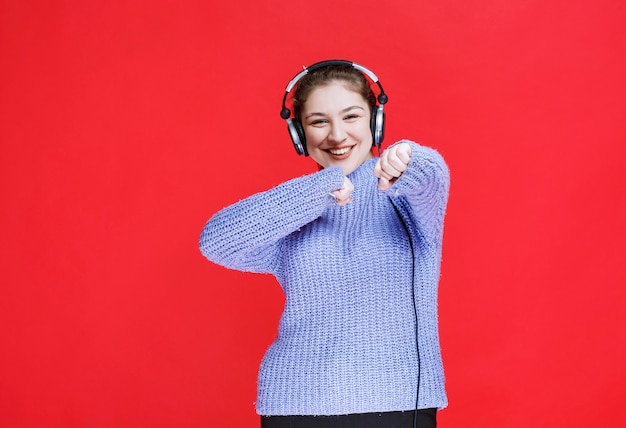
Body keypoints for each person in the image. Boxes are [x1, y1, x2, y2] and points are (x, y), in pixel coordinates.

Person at [199, 60, 450, 428]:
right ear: (299, 134)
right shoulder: (300, 207)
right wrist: (319, 189)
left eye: (350, 117)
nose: (336, 135)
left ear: (374, 121)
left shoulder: (404, 195)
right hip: (293, 407)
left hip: (395, 404)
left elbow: (430, 175)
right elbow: (216, 240)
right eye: (319, 121)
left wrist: (407, 157)